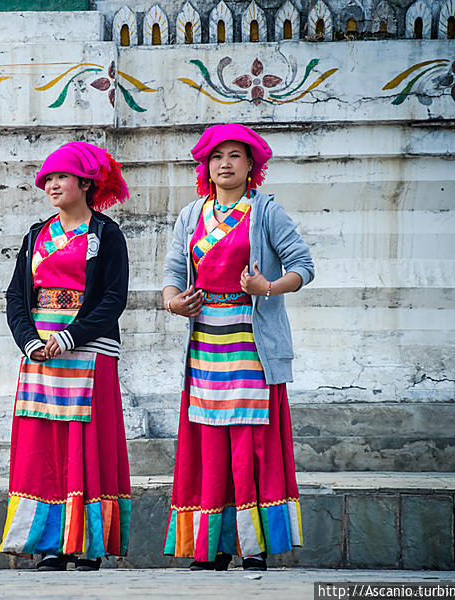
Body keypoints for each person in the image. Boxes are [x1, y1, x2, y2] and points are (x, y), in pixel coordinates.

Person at [161, 124, 314, 571]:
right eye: (216, 157)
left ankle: (253, 546)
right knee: (209, 442)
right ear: (206, 167)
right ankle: (213, 547)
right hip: (206, 340)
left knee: (249, 443)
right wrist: (174, 302)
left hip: (251, 341)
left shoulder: (266, 212)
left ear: (252, 166)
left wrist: (267, 286)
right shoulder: (191, 216)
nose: (224, 164)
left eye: (234, 156)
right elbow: (173, 270)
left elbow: (303, 266)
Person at [0, 141, 132, 571]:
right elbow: (17, 297)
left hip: (88, 352)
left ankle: (87, 543)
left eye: (62, 177)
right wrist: (29, 340)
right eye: (49, 179)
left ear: (86, 183)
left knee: (84, 446)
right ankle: (51, 543)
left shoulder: (106, 234)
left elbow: (113, 298)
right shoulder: (36, 234)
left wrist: (71, 337)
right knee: (44, 450)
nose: (54, 185)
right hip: (40, 353)